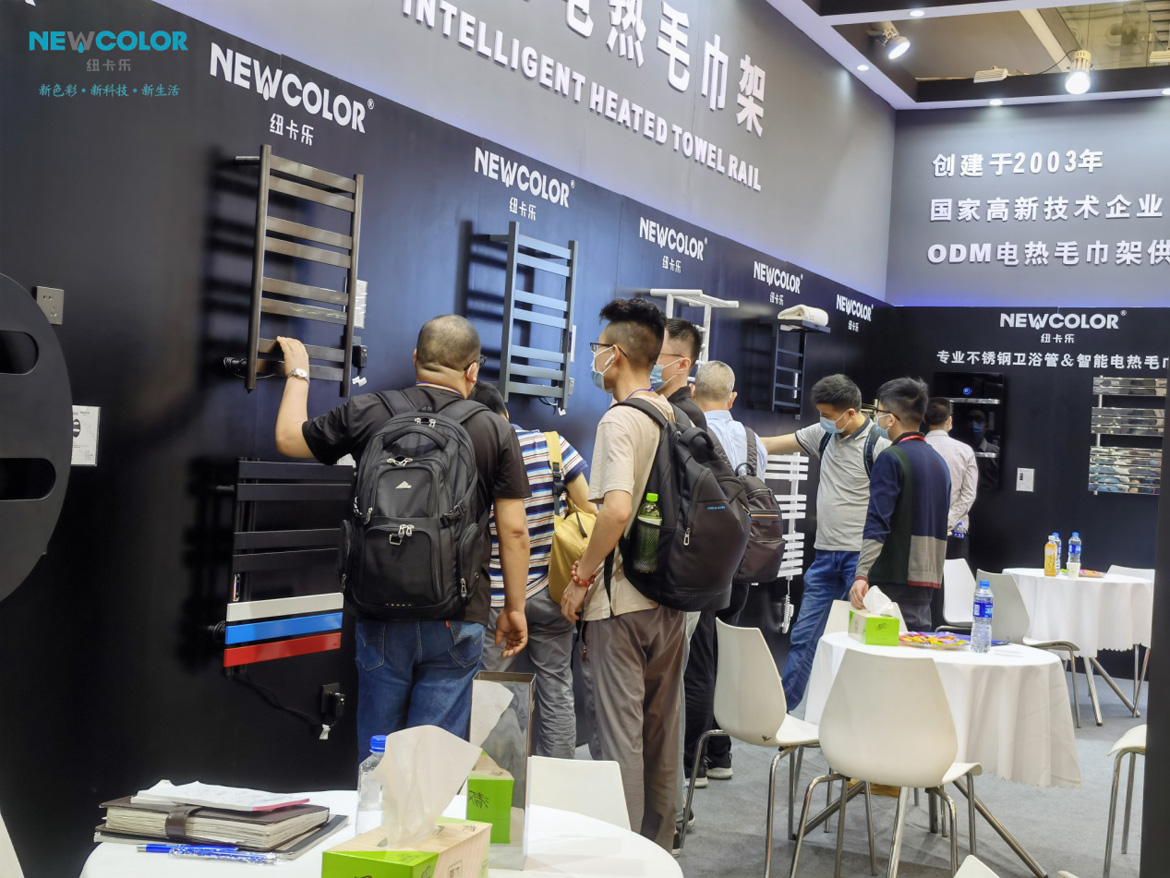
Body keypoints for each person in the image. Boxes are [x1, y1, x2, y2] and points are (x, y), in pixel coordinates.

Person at [271, 316, 532, 750]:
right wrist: (515, 608)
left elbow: (288, 439)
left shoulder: (369, 410)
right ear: (472, 371)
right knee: (434, 756)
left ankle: (376, 795)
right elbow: (515, 531)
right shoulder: (494, 428)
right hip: (457, 613)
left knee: (379, 753)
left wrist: (298, 373)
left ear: (416, 358)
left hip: (380, 606)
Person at [559, 298, 685, 853]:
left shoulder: (619, 419)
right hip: (671, 597)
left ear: (617, 355)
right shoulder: (671, 414)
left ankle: (621, 855)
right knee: (661, 732)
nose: (595, 358)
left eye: (598, 348)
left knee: (618, 741)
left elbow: (614, 510)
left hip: (621, 602)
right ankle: (658, 846)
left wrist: (581, 578)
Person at [468, 381, 594, 759]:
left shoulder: (475, 451)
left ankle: (496, 779)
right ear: (505, 411)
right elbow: (590, 513)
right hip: (554, 589)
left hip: (498, 595)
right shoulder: (554, 445)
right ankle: (557, 777)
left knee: (492, 690)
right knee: (556, 687)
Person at [760, 374, 890, 708]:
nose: (822, 420)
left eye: (828, 415)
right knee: (803, 637)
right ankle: (784, 712)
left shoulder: (879, 444)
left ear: (850, 413)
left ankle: (865, 716)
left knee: (863, 644)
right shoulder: (823, 434)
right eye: (820, 414)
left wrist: (867, 567)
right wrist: (730, 440)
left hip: (860, 561)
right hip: (824, 557)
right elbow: (771, 444)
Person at [686, 360, 770, 783]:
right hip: (745, 564)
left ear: (692, 391)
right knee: (724, 657)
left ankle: (693, 762)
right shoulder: (755, 443)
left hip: (704, 566)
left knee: (698, 662)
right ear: (732, 397)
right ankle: (721, 755)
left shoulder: (692, 433)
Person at [849, 378, 951, 631]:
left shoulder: (892, 458)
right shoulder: (939, 462)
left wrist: (862, 573)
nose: (877, 418)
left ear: (891, 419)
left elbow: (878, 519)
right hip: (928, 576)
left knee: (884, 647)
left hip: (893, 573)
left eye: (879, 412)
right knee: (915, 644)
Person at [923, 397, 978, 561]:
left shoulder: (914, 448)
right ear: (950, 420)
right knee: (955, 576)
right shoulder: (964, 451)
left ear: (924, 419)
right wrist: (949, 519)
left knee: (920, 576)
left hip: (920, 529)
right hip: (955, 531)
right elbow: (968, 494)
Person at [655, 317, 707, 429]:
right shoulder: (658, 404)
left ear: (682, 365)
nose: (647, 361)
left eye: (655, 355)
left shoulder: (687, 415)